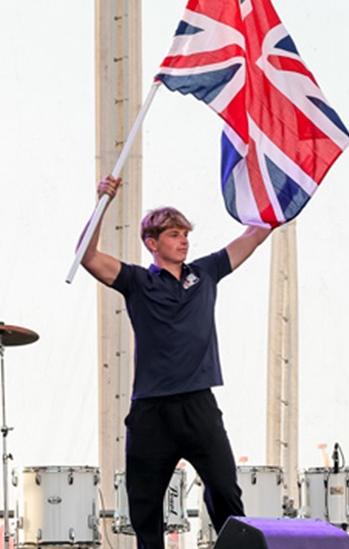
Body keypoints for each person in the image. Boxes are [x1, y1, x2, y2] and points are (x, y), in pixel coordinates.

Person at [80, 175, 273, 549]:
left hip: (198, 406)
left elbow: (252, 236)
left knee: (226, 496)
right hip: (152, 411)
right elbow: (87, 256)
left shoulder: (205, 272)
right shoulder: (137, 281)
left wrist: (275, 207)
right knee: (144, 510)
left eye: (185, 234)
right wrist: (101, 203)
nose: (183, 240)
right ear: (152, 243)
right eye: (174, 234)